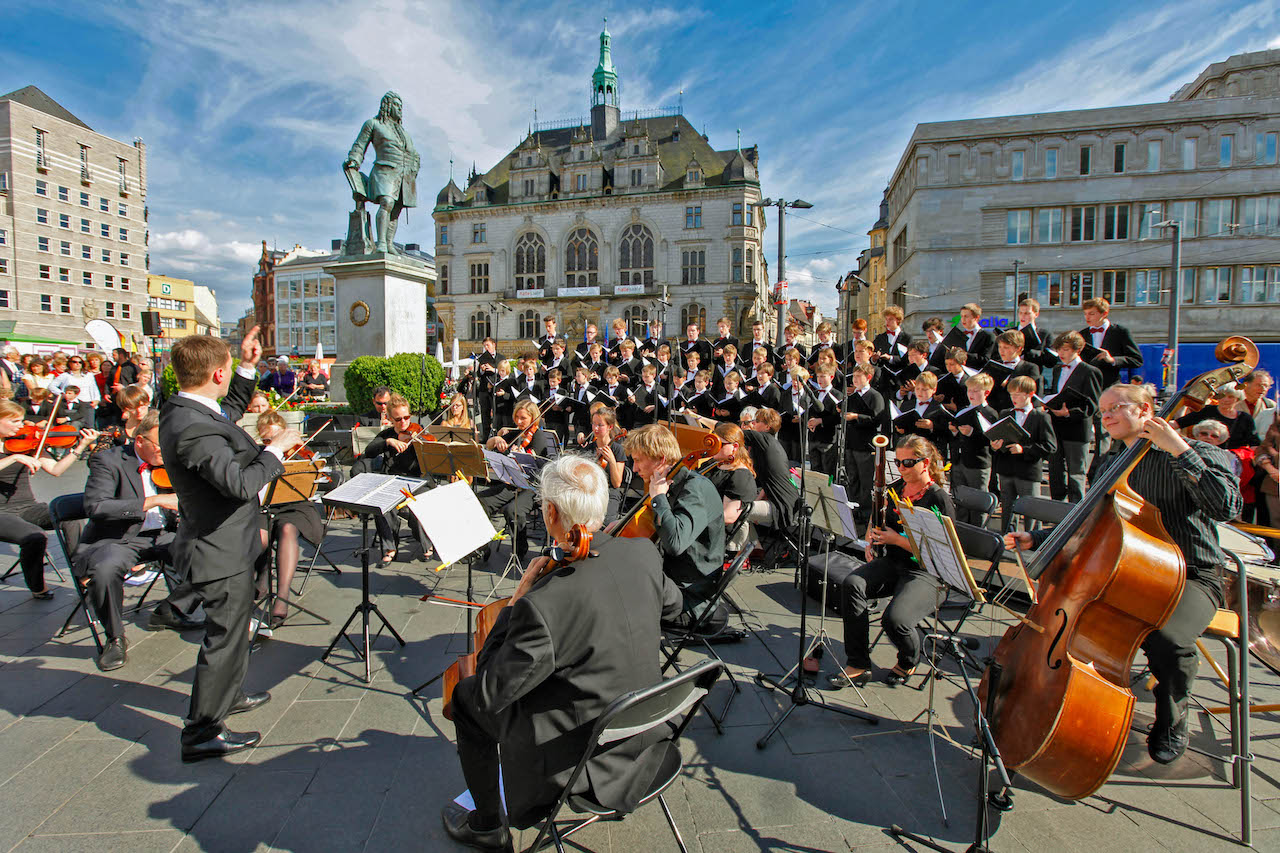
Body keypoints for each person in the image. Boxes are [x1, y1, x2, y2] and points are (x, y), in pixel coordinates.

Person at [441, 454, 683, 849]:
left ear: (551, 512)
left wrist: (517, 604)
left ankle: (487, 827)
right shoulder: (642, 554)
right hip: (649, 736)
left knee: (466, 702)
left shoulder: (545, 604)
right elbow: (673, 608)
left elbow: (490, 693)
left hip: (584, 762)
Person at [1006, 382, 1242, 764]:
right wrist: (1038, 537)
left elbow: (1226, 506)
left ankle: (1173, 714)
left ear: (1147, 410)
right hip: (1125, 571)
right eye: (1103, 411)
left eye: (1117, 407)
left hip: (1193, 573)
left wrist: (1179, 450)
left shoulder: (1198, 451)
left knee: (1164, 637)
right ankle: (1077, 705)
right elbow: (1092, 521)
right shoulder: (1111, 461)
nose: (1108, 415)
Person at [159, 327, 299, 763]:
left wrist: (247, 366)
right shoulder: (192, 428)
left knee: (237, 632)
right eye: (228, 373)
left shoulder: (188, 409)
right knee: (223, 637)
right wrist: (274, 451)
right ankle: (202, 731)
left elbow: (228, 411)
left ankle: (227, 696)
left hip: (226, 541)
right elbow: (240, 484)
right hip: (217, 548)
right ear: (215, 374)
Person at [74, 410, 204, 671]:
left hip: (164, 534)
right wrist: (153, 501)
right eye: (160, 444)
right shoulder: (107, 461)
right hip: (118, 539)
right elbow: (96, 507)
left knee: (213, 552)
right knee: (106, 569)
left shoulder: (170, 463)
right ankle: (114, 637)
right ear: (139, 441)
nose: (166, 450)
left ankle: (170, 610)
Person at [831, 436, 955, 688]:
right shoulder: (896, 488)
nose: (901, 468)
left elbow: (945, 551)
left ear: (925, 463)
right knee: (852, 582)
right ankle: (858, 662)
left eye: (908, 462)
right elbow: (879, 516)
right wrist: (870, 537)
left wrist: (896, 540)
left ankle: (909, 659)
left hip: (927, 573)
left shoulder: (938, 498)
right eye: (898, 462)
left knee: (894, 619)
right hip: (894, 563)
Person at [622, 424, 726, 624]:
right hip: (673, 583)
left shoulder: (694, 488)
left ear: (660, 459)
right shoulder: (671, 484)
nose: (634, 469)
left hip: (689, 600)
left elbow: (675, 543)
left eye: (637, 461)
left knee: (615, 597)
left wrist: (659, 499)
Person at [0, 400, 98, 598]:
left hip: (28, 507)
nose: (22, 425)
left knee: (72, 518)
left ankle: (82, 573)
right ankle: (38, 587)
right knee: (35, 536)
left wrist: (80, 447)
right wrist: (12, 458)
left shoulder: (25, 443)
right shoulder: (15, 453)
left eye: (22, 420)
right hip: (2, 512)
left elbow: (56, 469)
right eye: (15, 421)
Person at [253, 410, 325, 628]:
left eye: (276, 439)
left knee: (287, 530)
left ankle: (282, 598)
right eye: (266, 440)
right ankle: (261, 575)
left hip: (295, 506)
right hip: (263, 505)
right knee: (261, 537)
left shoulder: (298, 453)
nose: (271, 444)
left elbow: (318, 478)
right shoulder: (255, 455)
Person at [359, 394, 431, 563]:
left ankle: (426, 543)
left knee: (419, 504)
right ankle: (390, 546)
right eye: (398, 419)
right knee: (381, 504)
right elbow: (369, 452)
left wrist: (421, 445)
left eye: (406, 417)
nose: (404, 422)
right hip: (393, 481)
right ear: (391, 419)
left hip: (417, 480)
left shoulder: (418, 431)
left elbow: (430, 461)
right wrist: (388, 442)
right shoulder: (387, 435)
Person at [481, 399, 553, 558]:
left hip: (532, 487)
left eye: (523, 418)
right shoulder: (514, 434)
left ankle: (519, 550)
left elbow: (536, 467)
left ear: (533, 417)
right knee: (482, 502)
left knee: (513, 510)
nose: (519, 422)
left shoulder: (539, 436)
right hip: (512, 483)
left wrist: (519, 456)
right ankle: (482, 546)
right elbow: (489, 446)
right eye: (517, 418)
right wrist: (495, 440)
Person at [991, 375, 1057, 533]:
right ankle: (1007, 540)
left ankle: (1033, 541)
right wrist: (996, 445)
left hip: (1028, 471)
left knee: (1031, 510)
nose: (1013, 398)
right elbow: (997, 437)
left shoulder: (1041, 417)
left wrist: (1024, 450)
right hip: (1007, 469)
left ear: (1030, 394)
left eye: (1018, 394)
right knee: (1007, 508)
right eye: (1011, 394)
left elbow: (1050, 446)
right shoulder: (1006, 413)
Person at [1044, 332, 1103, 503]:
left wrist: (1069, 412)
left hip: (1077, 429)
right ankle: (1057, 512)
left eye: (1066, 349)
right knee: (1055, 472)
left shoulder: (1089, 371)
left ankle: (1076, 514)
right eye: (1059, 349)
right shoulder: (1057, 369)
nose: (1061, 354)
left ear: (1078, 349)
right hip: (1056, 426)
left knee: (1076, 473)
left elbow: (1092, 404)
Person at [948, 374, 999, 525]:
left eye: (976, 391)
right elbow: (956, 438)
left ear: (986, 393)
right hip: (960, 461)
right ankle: (961, 529)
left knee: (978, 503)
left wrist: (972, 433)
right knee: (961, 500)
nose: (971, 394)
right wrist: (955, 431)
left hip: (978, 463)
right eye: (969, 390)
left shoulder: (990, 413)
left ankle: (979, 532)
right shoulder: (963, 410)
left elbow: (991, 439)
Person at [707, 422, 759, 555]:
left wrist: (691, 518)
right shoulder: (714, 464)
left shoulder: (740, 476)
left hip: (711, 538)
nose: (713, 447)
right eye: (712, 442)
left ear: (735, 447)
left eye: (719, 444)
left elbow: (728, 516)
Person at [1079, 297, 1143, 389]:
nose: (1087, 317)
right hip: (1088, 387)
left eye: (1092, 314)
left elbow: (1137, 360)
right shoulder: (1082, 334)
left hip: (1110, 387)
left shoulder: (1120, 332)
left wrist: (1112, 360)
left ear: (1104, 314)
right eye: (1085, 314)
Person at [1172, 387, 1260, 450]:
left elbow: (1254, 442)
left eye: (1231, 397)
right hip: (1206, 453)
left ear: (1237, 399)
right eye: (1222, 396)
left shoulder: (1245, 418)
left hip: (1233, 460)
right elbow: (1178, 423)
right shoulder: (1208, 410)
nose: (1225, 400)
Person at [589, 406, 627, 523]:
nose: (595, 428)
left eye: (600, 425)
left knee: (605, 523)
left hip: (609, 493)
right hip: (590, 492)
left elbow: (616, 483)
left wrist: (611, 460)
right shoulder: (589, 448)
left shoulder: (617, 449)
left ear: (610, 427)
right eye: (594, 424)